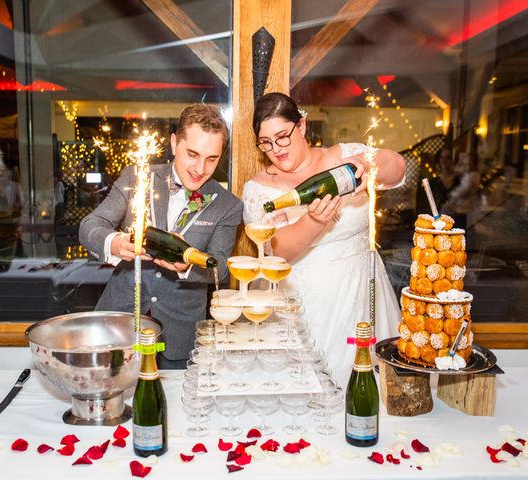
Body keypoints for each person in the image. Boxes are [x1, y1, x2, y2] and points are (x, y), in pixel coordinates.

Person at [242, 92, 406, 381]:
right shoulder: (258, 189)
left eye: (282, 136)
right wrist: (315, 221)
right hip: (305, 305)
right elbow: (278, 253)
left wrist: (370, 163)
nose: (276, 149)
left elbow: (397, 169)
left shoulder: (342, 156)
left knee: (367, 385)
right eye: (265, 143)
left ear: (302, 126)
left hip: (361, 292)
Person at [80, 104, 243, 369]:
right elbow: (91, 225)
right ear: (174, 143)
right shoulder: (137, 178)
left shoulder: (228, 205)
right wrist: (115, 243)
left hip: (180, 336)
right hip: (120, 325)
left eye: (212, 159)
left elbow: (221, 266)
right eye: (192, 154)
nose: (200, 168)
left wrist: (189, 266)